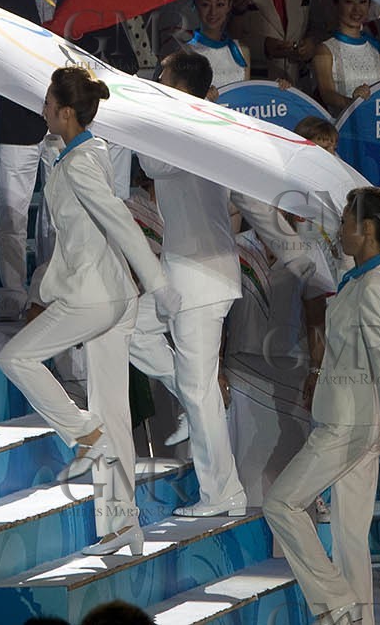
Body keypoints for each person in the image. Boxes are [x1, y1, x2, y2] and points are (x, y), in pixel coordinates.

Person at [0, 67, 177, 557]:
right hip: (114, 295)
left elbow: (120, 221)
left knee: (16, 358)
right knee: (113, 411)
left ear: (65, 112)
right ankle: (123, 525)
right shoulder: (88, 151)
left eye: (47, 103)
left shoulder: (79, 164)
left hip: (95, 296)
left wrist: (159, 284)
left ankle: (81, 431)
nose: (41, 110)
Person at [262, 187, 380, 625]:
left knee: (281, 504)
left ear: (366, 230)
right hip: (356, 419)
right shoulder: (362, 275)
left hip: (349, 423)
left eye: (345, 224)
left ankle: (336, 600)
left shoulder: (376, 283)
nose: (339, 231)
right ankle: (357, 618)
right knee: (349, 536)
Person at [0, 0, 119, 321]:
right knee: (12, 214)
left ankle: (48, 293)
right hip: (20, 117)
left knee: (58, 214)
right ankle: (13, 293)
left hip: (66, 119)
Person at [135, 52, 248, 517]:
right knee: (127, 327)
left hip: (199, 280)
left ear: (179, 85)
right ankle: (185, 396)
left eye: (161, 76)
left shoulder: (189, 129)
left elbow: (150, 164)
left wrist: (141, 111)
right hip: (189, 274)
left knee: (201, 392)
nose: (155, 81)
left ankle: (222, 493)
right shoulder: (203, 122)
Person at [232, 0, 319, 88]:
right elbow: (225, 33)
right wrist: (263, 46)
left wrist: (311, 43)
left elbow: (318, 25)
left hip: (300, 83)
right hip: (258, 83)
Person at [312, 0, 380, 113]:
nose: (357, 10)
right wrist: (354, 104)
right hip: (344, 122)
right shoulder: (325, 50)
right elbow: (327, 94)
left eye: (362, 2)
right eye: (349, 2)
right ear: (336, 3)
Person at [182, 0, 251, 91]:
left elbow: (247, 95)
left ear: (229, 6)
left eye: (220, 4)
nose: (213, 12)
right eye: (205, 5)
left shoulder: (241, 51)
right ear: (194, 6)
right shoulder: (185, 52)